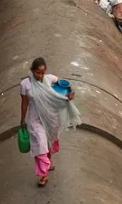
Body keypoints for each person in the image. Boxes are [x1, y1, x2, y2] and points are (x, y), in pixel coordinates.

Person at [20, 57, 81, 187]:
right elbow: (24, 103)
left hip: (50, 117)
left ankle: (49, 162)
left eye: (42, 72)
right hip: (35, 119)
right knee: (41, 146)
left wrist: (70, 92)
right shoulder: (25, 84)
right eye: (37, 72)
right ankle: (44, 173)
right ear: (32, 71)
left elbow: (64, 83)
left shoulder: (49, 79)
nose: (40, 76)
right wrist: (22, 120)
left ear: (45, 71)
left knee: (49, 143)